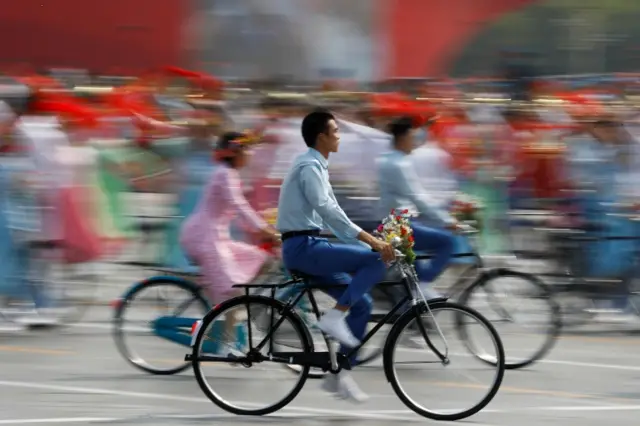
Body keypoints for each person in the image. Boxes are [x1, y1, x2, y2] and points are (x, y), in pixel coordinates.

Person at [277, 109, 395, 402]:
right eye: (336, 131)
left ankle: (338, 375)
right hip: (303, 248)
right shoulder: (308, 166)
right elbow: (327, 210)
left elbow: (333, 215)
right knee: (373, 259)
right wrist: (371, 243)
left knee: (363, 304)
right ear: (322, 137)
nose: (339, 136)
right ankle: (334, 318)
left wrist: (370, 237)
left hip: (309, 244)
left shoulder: (317, 165)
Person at [180, 131, 280, 305]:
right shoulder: (224, 174)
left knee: (260, 258)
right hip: (204, 239)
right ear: (235, 152)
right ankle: (221, 326)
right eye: (248, 150)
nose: (251, 154)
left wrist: (265, 227)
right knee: (232, 295)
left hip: (216, 239)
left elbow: (238, 211)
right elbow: (239, 205)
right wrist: (265, 230)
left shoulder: (228, 174)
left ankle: (226, 307)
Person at [377, 117, 458, 300]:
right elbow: (418, 197)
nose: (416, 142)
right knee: (447, 242)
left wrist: (425, 128)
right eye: (412, 137)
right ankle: (425, 286)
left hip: (392, 223)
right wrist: (447, 220)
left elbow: (417, 140)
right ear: (404, 138)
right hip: (400, 226)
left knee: (414, 276)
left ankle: (413, 310)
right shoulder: (400, 165)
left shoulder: (388, 158)